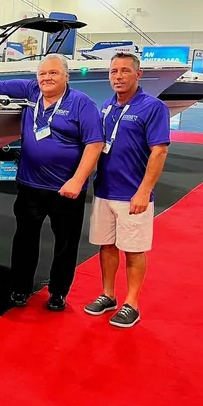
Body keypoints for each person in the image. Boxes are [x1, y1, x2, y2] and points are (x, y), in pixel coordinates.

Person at [0, 54, 104, 311]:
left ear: (67, 76)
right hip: (30, 186)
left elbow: (94, 144)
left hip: (67, 190)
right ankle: (20, 288)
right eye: (42, 73)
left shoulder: (81, 104)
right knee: (24, 240)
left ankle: (58, 292)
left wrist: (77, 180)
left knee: (65, 244)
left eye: (53, 73)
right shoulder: (31, 90)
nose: (46, 78)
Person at [85, 53, 169, 328]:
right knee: (107, 246)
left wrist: (145, 190)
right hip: (104, 190)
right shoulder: (107, 106)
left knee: (133, 249)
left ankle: (131, 302)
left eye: (124, 71)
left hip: (133, 193)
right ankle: (108, 294)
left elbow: (159, 151)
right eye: (113, 72)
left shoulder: (152, 107)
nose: (118, 77)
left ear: (138, 74)